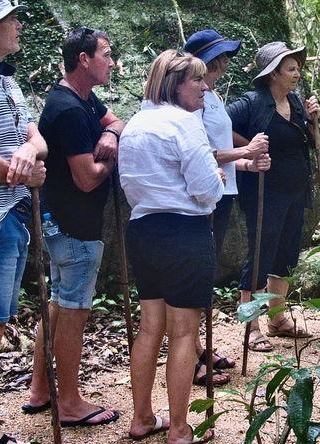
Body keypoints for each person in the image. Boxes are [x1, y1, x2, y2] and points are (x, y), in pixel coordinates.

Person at [119, 50, 224, 444]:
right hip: (183, 233)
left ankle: (142, 417)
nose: (204, 86)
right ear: (175, 85)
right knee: (183, 333)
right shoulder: (184, 123)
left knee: (149, 328)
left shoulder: (135, 123)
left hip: (143, 230)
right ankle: (179, 429)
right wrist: (216, 178)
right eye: (196, 80)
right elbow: (205, 190)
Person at [23, 27, 123, 429]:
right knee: (74, 312)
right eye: (106, 55)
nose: (112, 63)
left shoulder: (81, 97)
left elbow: (115, 120)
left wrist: (111, 134)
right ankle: (69, 402)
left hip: (63, 223)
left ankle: (40, 390)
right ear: (84, 59)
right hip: (74, 226)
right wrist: (110, 162)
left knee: (59, 305)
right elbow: (86, 178)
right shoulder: (67, 110)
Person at [0, 1, 47, 443]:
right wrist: (23, 173)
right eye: (10, 19)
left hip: (12, 216)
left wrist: (29, 150)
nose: (19, 25)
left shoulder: (7, 79)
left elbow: (37, 138)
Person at [184, 29, 271, 384]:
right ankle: (189, 354)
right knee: (197, 273)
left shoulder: (213, 96)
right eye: (219, 56)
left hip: (223, 190)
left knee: (205, 270)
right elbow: (201, 151)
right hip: (205, 193)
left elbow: (222, 144)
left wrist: (248, 162)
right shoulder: (192, 101)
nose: (225, 61)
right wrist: (245, 151)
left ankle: (198, 347)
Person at [226, 41, 320, 352]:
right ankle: (251, 326)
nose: (297, 74)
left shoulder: (293, 102)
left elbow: (310, 143)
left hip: (295, 192)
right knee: (261, 254)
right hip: (265, 192)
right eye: (290, 69)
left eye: (297, 68)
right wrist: (248, 148)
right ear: (273, 74)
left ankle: (277, 319)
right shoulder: (252, 102)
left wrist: (313, 121)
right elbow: (218, 126)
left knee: (286, 254)